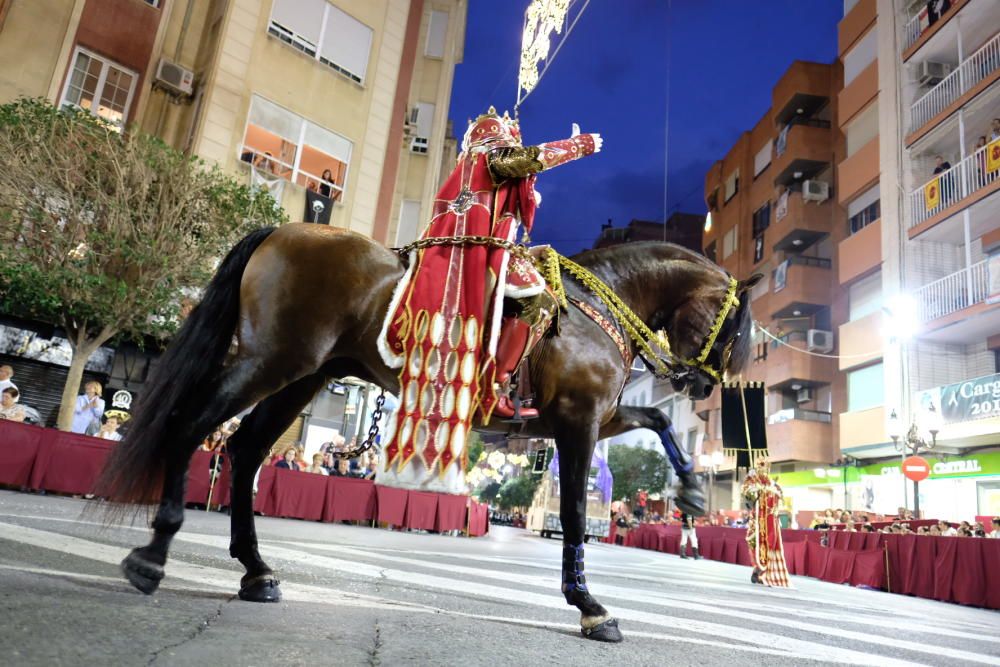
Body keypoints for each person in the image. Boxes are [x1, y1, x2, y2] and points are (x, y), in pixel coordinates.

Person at [379, 106, 603, 476]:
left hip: (463, 245)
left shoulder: (471, 169)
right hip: (475, 251)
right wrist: (579, 145)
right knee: (538, 299)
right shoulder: (491, 156)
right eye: (507, 139)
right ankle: (494, 386)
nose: (511, 144)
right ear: (493, 137)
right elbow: (531, 159)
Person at [741, 459, 791, 588]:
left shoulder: (772, 483)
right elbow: (746, 494)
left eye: (766, 467)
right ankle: (757, 567)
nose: (764, 469)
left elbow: (780, 494)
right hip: (757, 518)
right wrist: (755, 490)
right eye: (761, 466)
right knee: (754, 542)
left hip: (770, 519)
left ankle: (762, 571)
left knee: (770, 543)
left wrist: (771, 491)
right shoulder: (752, 479)